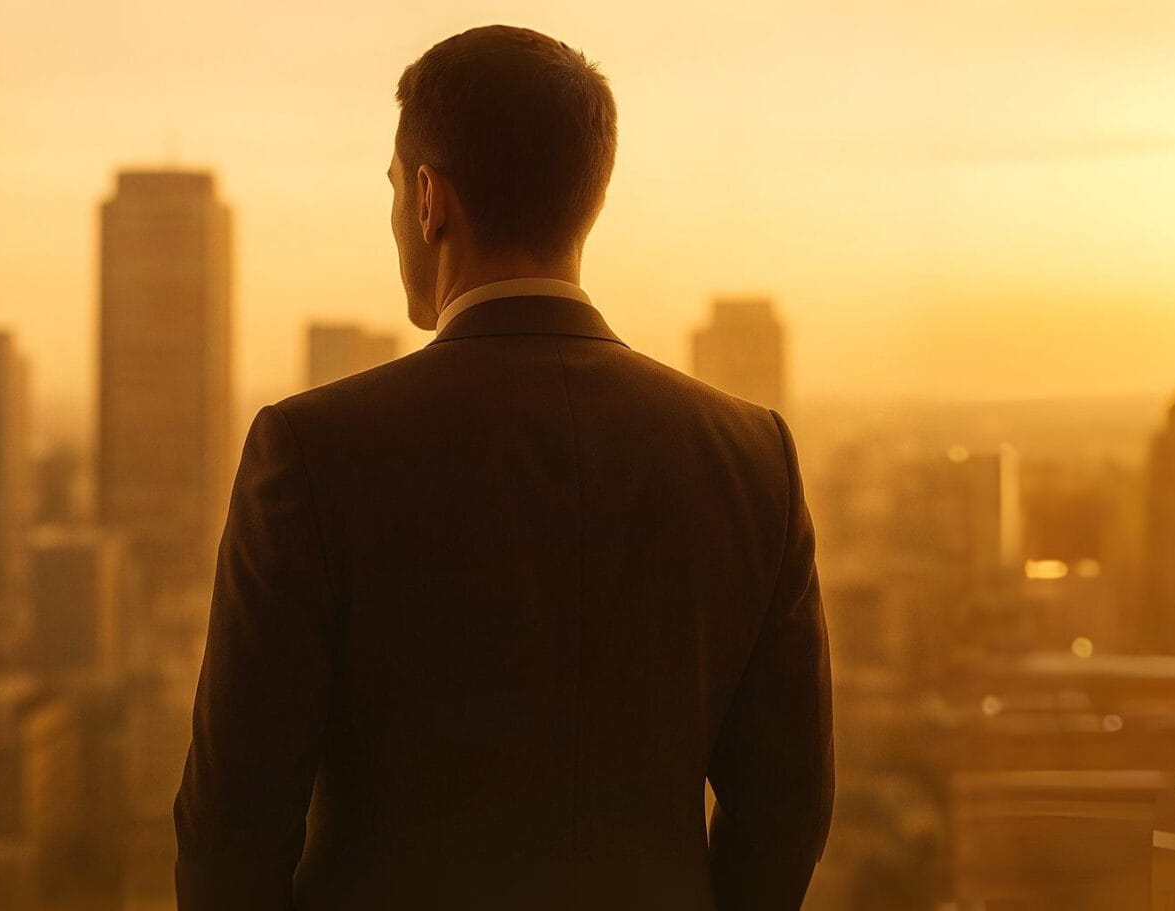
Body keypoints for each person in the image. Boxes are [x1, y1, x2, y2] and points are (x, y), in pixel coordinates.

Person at [176, 24, 831, 910]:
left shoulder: (312, 451)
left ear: (428, 200)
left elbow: (234, 827)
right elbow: (786, 811)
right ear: (585, 199)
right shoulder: (753, 457)